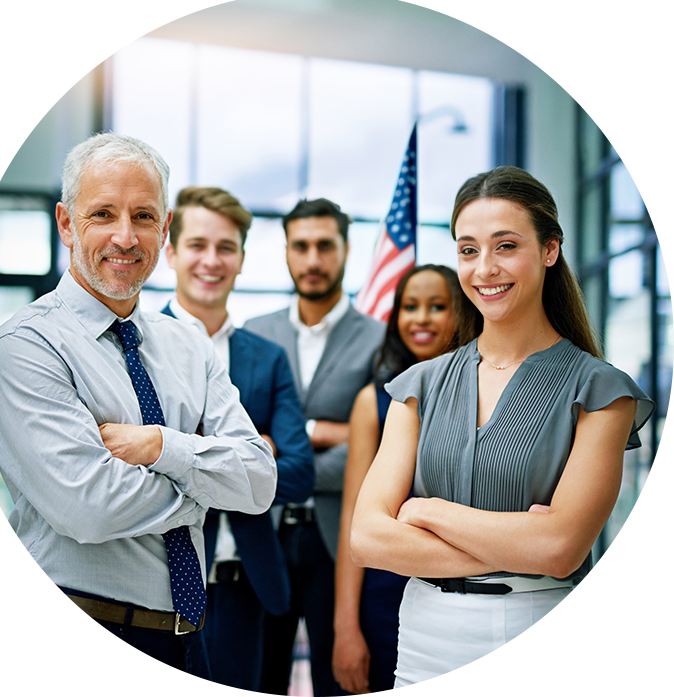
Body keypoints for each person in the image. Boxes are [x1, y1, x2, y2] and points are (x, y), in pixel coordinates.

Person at [0, 133, 277, 697]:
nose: (125, 236)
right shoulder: (26, 346)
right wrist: (207, 487)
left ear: (163, 231)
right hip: (79, 644)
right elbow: (89, 507)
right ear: (66, 224)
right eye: (103, 214)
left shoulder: (188, 344)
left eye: (143, 216)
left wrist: (164, 448)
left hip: (188, 643)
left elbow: (259, 482)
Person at [350, 165, 655, 697]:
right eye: (468, 250)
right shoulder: (417, 385)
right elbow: (367, 538)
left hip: (536, 650)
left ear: (549, 251)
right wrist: (523, 542)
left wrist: (426, 512)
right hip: (424, 645)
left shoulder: (602, 390)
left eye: (506, 245)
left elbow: (560, 548)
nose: (484, 269)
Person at [162, 185, 314, 697]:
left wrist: (184, 453)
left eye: (226, 248)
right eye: (198, 245)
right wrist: (243, 460)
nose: (211, 260)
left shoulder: (266, 358)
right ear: (171, 251)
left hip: (243, 585)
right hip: (153, 582)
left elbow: (296, 472)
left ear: (242, 259)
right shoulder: (132, 340)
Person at [243, 198, 385, 697]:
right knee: (257, 678)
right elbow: (236, 438)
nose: (312, 259)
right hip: (262, 537)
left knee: (341, 683)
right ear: (285, 252)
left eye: (325, 245)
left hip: (339, 544)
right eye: (300, 246)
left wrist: (281, 454)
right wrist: (329, 432)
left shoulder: (382, 340)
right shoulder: (254, 335)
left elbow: (385, 453)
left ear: (346, 250)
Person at [333, 264, 466, 697]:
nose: (421, 318)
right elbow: (353, 518)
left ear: (463, 313)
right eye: (410, 307)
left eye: (437, 306)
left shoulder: (486, 395)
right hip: (385, 595)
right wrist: (346, 627)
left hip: (465, 593)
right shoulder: (374, 402)